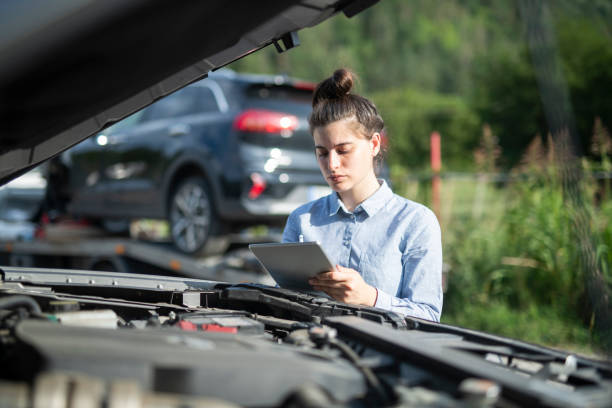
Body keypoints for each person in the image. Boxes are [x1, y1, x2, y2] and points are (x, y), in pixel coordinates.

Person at [282, 68, 443, 321]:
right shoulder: (301, 220)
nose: (332, 164)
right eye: (322, 153)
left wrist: (370, 298)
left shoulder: (415, 222)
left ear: (375, 144)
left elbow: (429, 315)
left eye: (343, 150)